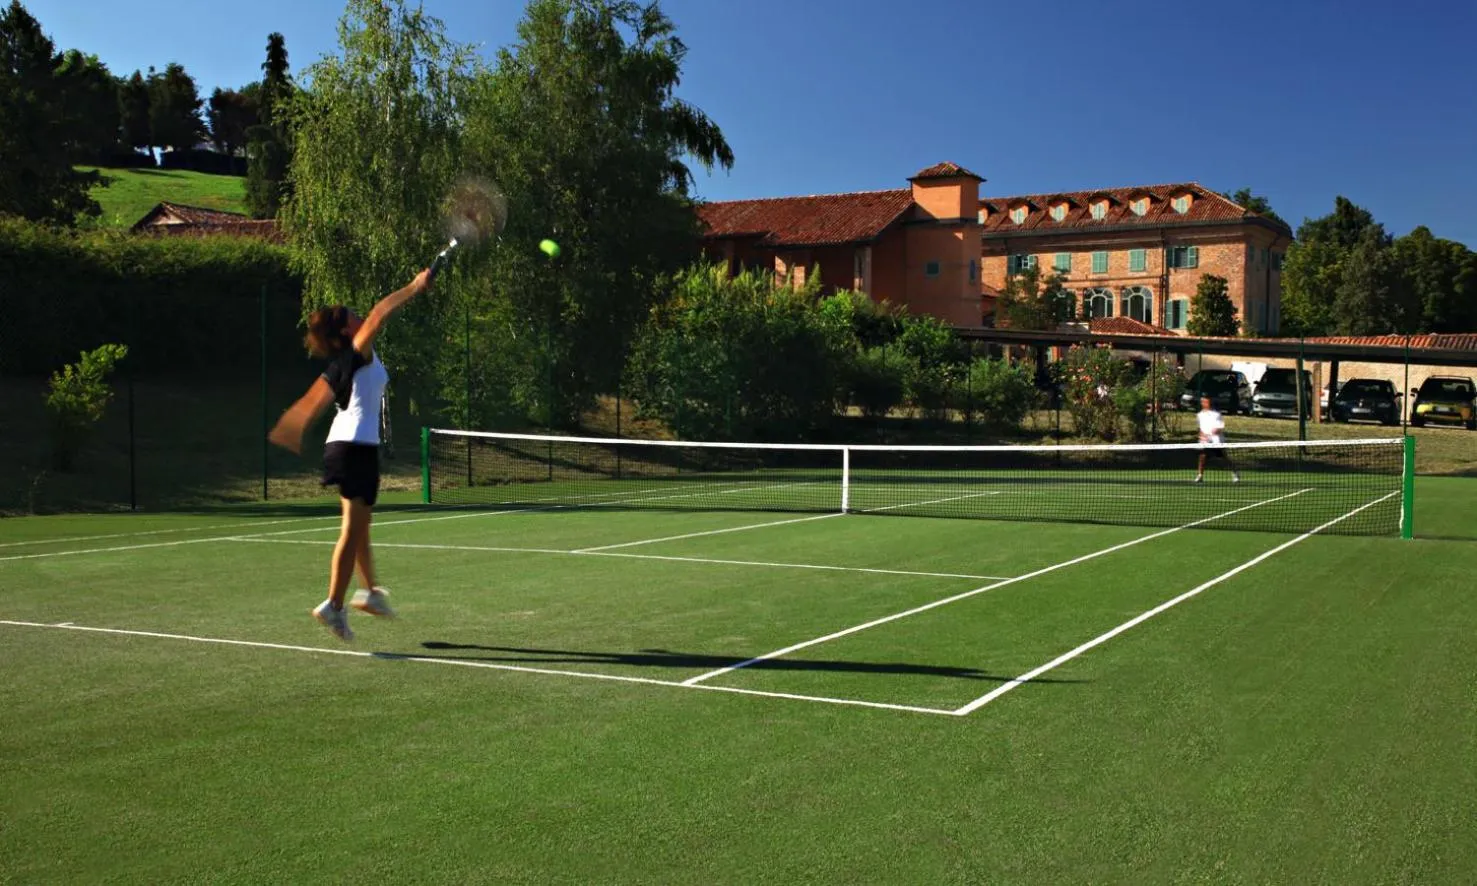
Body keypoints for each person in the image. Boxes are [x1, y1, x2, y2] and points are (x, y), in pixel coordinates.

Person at [268, 268, 434, 641]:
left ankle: (370, 592)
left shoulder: (342, 364)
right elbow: (379, 314)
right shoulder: (359, 351)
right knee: (352, 530)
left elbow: (315, 398)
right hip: (356, 447)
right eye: (351, 316)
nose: (360, 315)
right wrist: (414, 286)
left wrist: (294, 425)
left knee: (360, 528)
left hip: (342, 445)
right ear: (346, 331)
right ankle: (334, 605)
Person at [1195, 395, 1241, 484]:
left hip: (1217, 441)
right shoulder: (1199, 415)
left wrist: (1212, 433)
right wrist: (1202, 436)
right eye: (1203, 402)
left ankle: (1235, 473)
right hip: (1205, 442)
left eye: (1207, 402)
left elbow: (1219, 428)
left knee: (1223, 458)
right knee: (1202, 457)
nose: (1205, 403)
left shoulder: (1217, 414)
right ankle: (1200, 475)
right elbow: (1200, 429)